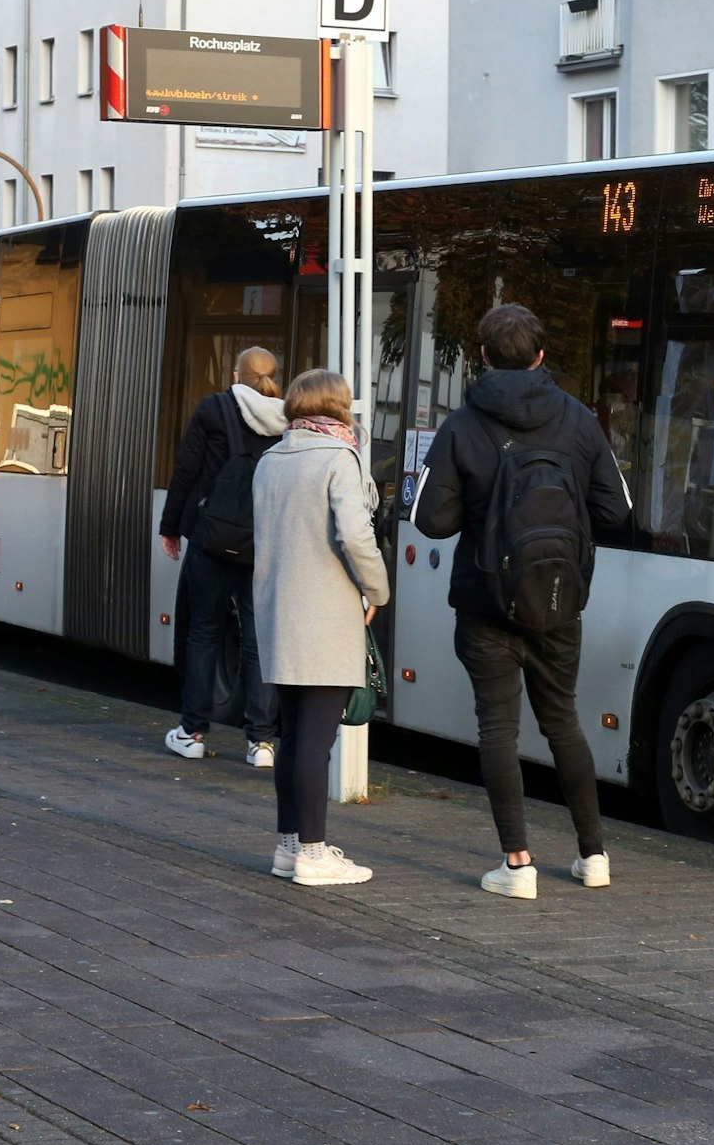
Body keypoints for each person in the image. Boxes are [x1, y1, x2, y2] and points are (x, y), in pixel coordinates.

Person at [415, 303, 632, 900]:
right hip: (560, 600)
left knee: (498, 730)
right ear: (541, 356)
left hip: (486, 603)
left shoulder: (462, 424)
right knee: (563, 721)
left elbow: (430, 519)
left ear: (482, 356)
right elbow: (617, 513)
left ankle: (517, 865)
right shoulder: (580, 420)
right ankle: (594, 856)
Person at [252, 369, 390, 887]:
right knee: (316, 738)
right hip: (326, 614)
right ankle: (313, 852)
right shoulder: (339, 458)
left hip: (278, 611)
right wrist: (378, 589)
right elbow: (355, 536)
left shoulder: (271, 459)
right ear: (338, 408)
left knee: (292, 735)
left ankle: (289, 845)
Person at [160, 347, 288, 766]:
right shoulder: (287, 417)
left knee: (204, 632)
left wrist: (171, 528)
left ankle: (192, 733)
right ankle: (262, 742)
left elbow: (186, 469)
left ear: (236, 374)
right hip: (261, 543)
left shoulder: (214, 409)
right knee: (257, 639)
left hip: (211, 539)